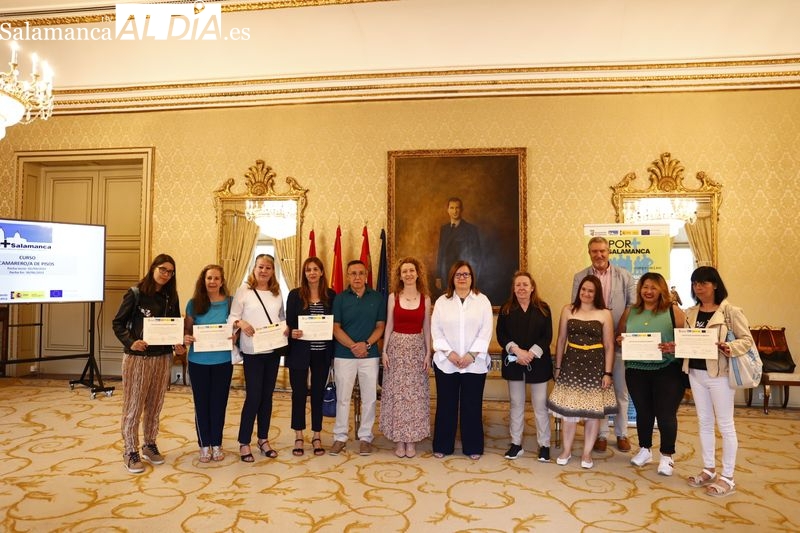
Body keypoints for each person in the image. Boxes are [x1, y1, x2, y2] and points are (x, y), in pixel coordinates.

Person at [683, 266, 754, 497]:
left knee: (725, 424)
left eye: (703, 282)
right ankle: (709, 469)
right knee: (704, 422)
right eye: (695, 283)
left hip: (720, 375)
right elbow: (689, 341)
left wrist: (729, 347)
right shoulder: (690, 313)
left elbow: (747, 341)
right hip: (695, 372)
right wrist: (676, 346)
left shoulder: (730, 312)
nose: (699, 287)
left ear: (714, 284)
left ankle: (728, 477)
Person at [112, 253, 186, 474]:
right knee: (134, 406)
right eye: (162, 269)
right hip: (138, 359)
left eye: (170, 271)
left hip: (162, 358)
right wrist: (131, 342)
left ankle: (149, 444)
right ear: (153, 268)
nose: (166, 274)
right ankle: (130, 450)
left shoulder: (170, 297)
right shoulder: (135, 293)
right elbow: (118, 323)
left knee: (155, 405)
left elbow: (174, 326)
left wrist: (178, 345)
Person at [617, 272, 687, 476]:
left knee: (665, 414)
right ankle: (645, 449)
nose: (648, 291)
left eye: (653, 287)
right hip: (637, 370)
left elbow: (686, 341)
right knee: (644, 412)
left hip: (668, 369)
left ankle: (667, 456)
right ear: (640, 289)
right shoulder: (631, 311)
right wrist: (621, 341)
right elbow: (619, 336)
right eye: (645, 287)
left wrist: (673, 347)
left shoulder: (673, 311)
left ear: (661, 290)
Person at [572, 236, 635, 452]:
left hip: (617, 343)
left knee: (620, 391)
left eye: (602, 251)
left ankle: (622, 434)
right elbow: (576, 307)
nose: (599, 255)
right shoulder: (580, 277)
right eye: (594, 251)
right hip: (591, 346)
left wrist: (620, 330)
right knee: (597, 392)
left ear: (609, 252)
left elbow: (631, 306)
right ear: (589, 253)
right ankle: (601, 434)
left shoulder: (625, 276)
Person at [547, 275, 618, 469]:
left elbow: (609, 345)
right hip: (571, 364)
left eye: (591, 291)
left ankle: (586, 453)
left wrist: (608, 373)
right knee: (569, 412)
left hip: (595, 366)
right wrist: (558, 367)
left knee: (592, 413)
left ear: (597, 294)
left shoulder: (604, 313)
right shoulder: (568, 310)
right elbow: (561, 340)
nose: (586, 294)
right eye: (583, 290)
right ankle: (567, 450)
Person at [431, 260, 493, 460]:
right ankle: (443, 445)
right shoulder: (442, 302)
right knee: (446, 405)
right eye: (458, 274)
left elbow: (486, 331)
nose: (462, 278)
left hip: (474, 364)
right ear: (452, 278)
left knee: (471, 406)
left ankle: (473, 446)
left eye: (466, 274)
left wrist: (471, 355)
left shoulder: (482, 300)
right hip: (446, 363)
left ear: (472, 277)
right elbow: (436, 331)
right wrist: (450, 354)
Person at [229, 254, 287, 462]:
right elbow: (233, 317)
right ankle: (244, 442)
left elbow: (281, 317)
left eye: (268, 268)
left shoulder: (277, 292)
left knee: (267, 397)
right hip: (252, 351)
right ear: (254, 268)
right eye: (260, 267)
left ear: (273, 271)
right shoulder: (243, 291)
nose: (264, 271)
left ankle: (263, 439)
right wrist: (240, 323)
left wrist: (285, 328)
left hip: (272, 350)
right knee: (253, 396)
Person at [329, 260, 387, 456]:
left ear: (366, 275)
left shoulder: (377, 298)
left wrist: (366, 345)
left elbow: (380, 326)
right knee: (342, 398)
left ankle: (365, 437)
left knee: (369, 397)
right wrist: (354, 346)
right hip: (344, 355)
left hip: (369, 355)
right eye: (353, 273)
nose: (357, 277)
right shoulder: (339, 299)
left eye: (361, 273)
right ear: (347, 276)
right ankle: (340, 437)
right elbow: (335, 328)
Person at [496, 271, 553, 462]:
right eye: (518, 285)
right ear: (513, 288)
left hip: (537, 363)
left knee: (539, 406)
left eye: (525, 285)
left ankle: (544, 445)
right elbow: (501, 335)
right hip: (514, 362)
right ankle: (516, 444)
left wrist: (530, 354)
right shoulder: (506, 309)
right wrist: (517, 352)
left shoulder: (543, 308)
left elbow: (547, 336)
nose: (521, 288)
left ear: (532, 287)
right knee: (516, 404)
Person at [380, 257, 432, 459]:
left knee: (414, 397)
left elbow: (427, 327)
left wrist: (429, 352)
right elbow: (389, 324)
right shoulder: (393, 297)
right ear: (400, 276)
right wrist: (384, 351)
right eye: (404, 271)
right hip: (396, 349)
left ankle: (411, 440)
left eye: (412, 270)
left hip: (417, 349)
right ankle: (399, 440)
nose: (408, 274)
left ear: (418, 273)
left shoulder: (425, 298)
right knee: (398, 396)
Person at [183, 264, 234, 463]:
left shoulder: (230, 303)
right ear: (203, 281)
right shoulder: (194, 303)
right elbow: (187, 330)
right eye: (209, 278)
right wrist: (186, 338)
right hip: (198, 361)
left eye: (216, 278)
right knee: (201, 404)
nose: (212, 282)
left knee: (219, 404)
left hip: (223, 360)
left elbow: (235, 327)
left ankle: (217, 444)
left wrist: (234, 336)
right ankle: (204, 445)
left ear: (222, 281)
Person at [285, 257, 336, 457]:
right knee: (298, 394)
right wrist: (292, 332)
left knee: (317, 394)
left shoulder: (331, 295)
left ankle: (316, 435)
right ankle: (298, 435)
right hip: (299, 352)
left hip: (322, 353)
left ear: (322, 272)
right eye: (308, 270)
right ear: (304, 273)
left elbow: (335, 323)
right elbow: (288, 324)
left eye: (315, 269)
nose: (312, 273)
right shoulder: (295, 295)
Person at [435, 197, 481, 291]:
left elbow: (476, 256)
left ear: (462, 210)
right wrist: (438, 276)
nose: (455, 211)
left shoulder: (471, 229)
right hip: (446, 275)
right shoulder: (444, 229)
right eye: (452, 208)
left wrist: (473, 277)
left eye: (457, 208)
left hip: (464, 276)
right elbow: (441, 253)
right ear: (447, 210)